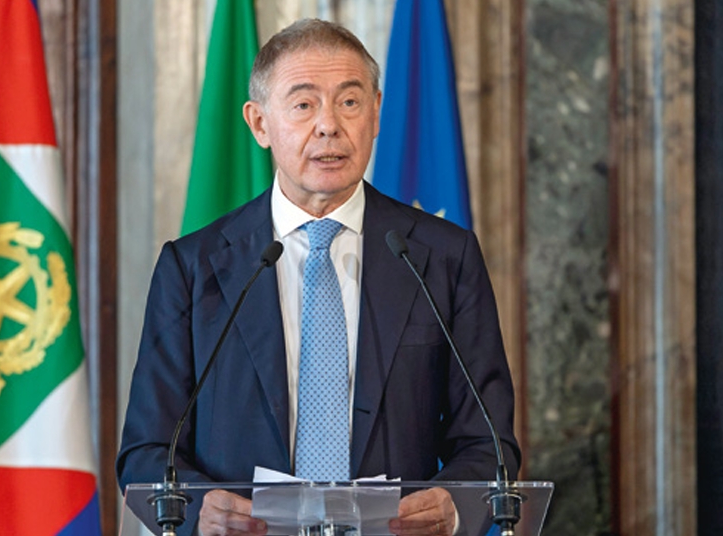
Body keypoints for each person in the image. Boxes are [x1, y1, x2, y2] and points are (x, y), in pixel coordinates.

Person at [117, 18, 520, 536]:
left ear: (376, 113)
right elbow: (147, 451)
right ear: (260, 124)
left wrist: (455, 504)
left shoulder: (443, 256)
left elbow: (489, 443)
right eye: (304, 105)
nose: (329, 125)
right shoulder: (194, 267)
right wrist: (198, 511)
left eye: (349, 102)